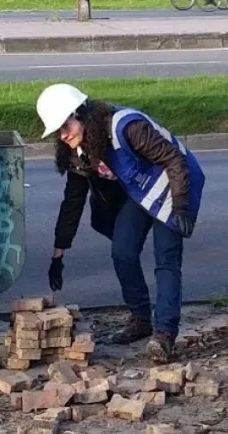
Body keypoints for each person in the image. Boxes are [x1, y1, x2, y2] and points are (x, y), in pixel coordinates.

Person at [36, 83, 205, 362]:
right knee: (123, 252)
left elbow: (174, 160)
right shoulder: (80, 152)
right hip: (140, 193)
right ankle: (140, 319)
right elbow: (73, 202)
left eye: (66, 126)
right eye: (58, 131)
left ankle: (164, 335)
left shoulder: (126, 127)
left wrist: (182, 207)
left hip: (175, 186)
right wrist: (59, 252)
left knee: (166, 259)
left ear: (81, 114)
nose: (63, 135)